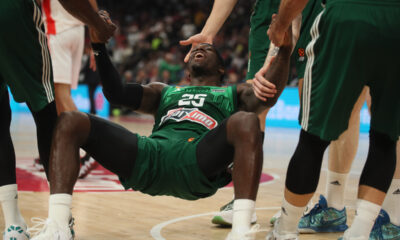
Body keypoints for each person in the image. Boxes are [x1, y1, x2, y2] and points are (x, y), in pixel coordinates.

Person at [30, 20, 294, 240]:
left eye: (207, 48)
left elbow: (267, 97)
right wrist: (98, 46)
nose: (200, 48)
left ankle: (240, 231)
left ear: (221, 67)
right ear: (188, 66)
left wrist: (283, 48)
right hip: (151, 156)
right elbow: (116, 93)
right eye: (196, 48)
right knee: (70, 120)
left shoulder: (233, 92)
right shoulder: (164, 91)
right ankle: (58, 226)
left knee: (247, 120)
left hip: (197, 159)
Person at [265, 0, 400, 239]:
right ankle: (360, 231)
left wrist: (281, 24)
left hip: (348, 17)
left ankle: (285, 232)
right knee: (386, 137)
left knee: (313, 138)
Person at [0, 0, 115, 239]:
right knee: (49, 110)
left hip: (60, 31)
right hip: (56, 27)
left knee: (55, 104)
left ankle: (14, 225)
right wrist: (95, 25)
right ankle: (61, 220)